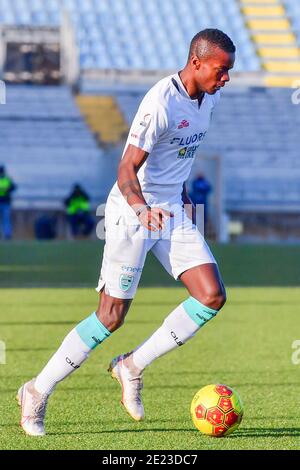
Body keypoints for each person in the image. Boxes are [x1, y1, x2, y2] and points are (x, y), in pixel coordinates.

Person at [17, 28, 235, 436]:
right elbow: (126, 168)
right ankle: (36, 390)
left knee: (211, 295)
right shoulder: (159, 103)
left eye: (229, 72)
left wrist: (182, 193)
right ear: (196, 63)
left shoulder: (211, 97)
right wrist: (141, 209)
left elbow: (178, 153)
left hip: (170, 207)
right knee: (111, 315)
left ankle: (130, 366)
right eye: (221, 71)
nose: (226, 79)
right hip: (133, 209)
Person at [0, 165, 17, 240]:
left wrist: (7, 190)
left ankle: (7, 235)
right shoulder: (8, 179)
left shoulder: (8, 179)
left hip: (6, 203)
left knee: (6, 219)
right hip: (6, 202)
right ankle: (6, 235)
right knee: (6, 220)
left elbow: (14, 187)